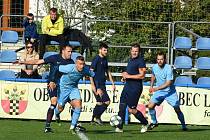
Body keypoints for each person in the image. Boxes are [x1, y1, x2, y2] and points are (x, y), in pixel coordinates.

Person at [18, 44, 74, 133]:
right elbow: (38, 62)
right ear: (63, 51)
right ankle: (47, 127)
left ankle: (74, 124)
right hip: (52, 83)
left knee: (74, 104)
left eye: (71, 51)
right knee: (54, 102)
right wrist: (24, 62)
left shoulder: (71, 62)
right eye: (69, 51)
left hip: (64, 86)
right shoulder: (54, 58)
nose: (70, 53)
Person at [147, 52, 187, 131]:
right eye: (158, 59)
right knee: (150, 106)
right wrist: (151, 86)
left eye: (161, 59)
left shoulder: (169, 68)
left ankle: (184, 126)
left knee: (177, 109)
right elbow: (153, 75)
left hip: (170, 92)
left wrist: (156, 88)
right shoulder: (154, 67)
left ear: (164, 60)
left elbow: (169, 83)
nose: (159, 61)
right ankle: (154, 122)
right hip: (159, 91)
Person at [55, 56, 95, 134]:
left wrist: (97, 86)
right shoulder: (69, 68)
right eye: (80, 64)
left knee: (78, 105)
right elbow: (56, 68)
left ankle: (72, 127)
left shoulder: (85, 70)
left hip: (73, 88)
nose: (82, 66)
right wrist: (53, 81)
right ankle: (56, 114)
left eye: (83, 64)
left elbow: (94, 75)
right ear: (76, 63)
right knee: (60, 108)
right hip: (63, 88)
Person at [115, 43, 149, 133]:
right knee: (122, 106)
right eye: (133, 51)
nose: (134, 53)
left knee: (132, 110)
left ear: (139, 52)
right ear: (130, 51)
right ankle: (119, 127)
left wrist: (128, 76)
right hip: (127, 87)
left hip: (135, 88)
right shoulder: (130, 60)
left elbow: (142, 76)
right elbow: (129, 73)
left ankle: (145, 123)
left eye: (136, 51)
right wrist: (124, 77)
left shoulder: (141, 61)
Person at [90, 42, 115, 125]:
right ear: (100, 50)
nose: (106, 52)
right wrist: (95, 86)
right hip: (97, 84)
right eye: (104, 50)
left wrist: (112, 83)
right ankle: (96, 117)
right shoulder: (96, 59)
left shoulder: (105, 59)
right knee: (107, 102)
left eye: (107, 50)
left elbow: (108, 71)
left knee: (99, 103)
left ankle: (93, 119)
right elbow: (91, 72)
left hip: (102, 84)